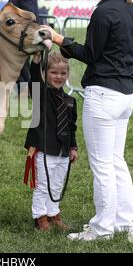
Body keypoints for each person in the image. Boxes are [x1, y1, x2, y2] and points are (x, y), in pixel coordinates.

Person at [42, 0, 133, 241]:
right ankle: (124, 221)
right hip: (125, 96)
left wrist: (61, 40)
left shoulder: (103, 12)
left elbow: (90, 54)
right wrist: (125, 85)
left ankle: (101, 229)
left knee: (102, 165)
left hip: (103, 95)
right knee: (116, 161)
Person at [24, 51, 78, 232]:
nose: (58, 77)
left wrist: (73, 147)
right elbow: (33, 77)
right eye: (54, 72)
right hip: (43, 148)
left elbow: (72, 127)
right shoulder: (41, 94)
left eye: (63, 73)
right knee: (43, 185)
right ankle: (40, 217)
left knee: (56, 185)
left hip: (62, 151)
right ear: (45, 74)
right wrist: (37, 59)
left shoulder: (70, 101)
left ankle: (54, 214)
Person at [2, 0, 39, 96]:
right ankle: (23, 93)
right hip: (19, 37)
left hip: (25, 37)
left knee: (23, 67)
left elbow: (30, 16)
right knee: (20, 66)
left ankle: (27, 93)